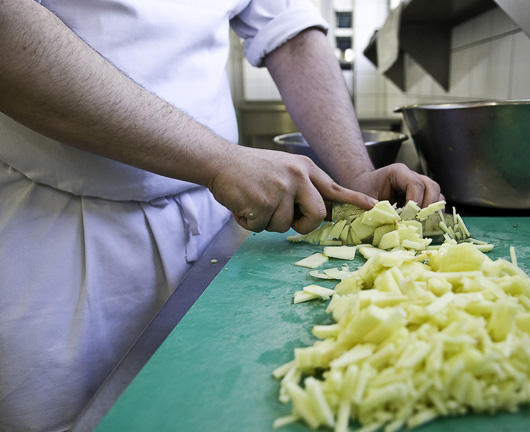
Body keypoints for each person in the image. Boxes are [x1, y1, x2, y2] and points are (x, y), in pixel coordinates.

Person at [0, 0, 443, 430]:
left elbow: (290, 34)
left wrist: (357, 177)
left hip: (212, 222)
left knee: (217, 405)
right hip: (61, 235)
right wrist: (219, 160)